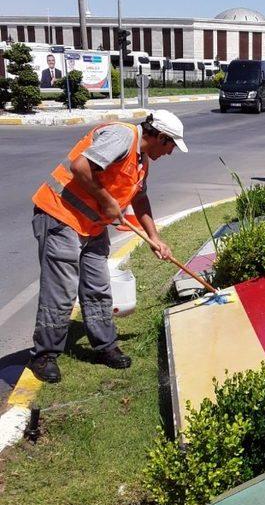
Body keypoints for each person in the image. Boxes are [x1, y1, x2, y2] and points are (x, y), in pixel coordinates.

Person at [29, 110, 188, 383]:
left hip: (91, 225)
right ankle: (44, 355)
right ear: (160, 137)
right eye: (171, 145)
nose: (171, 153)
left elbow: (140, 200)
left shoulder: (141, 161)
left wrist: (155, 238)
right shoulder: (122, 136)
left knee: (98, 286)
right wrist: (106, 200)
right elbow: (80, 167)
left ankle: (105, 345)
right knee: (61, 291)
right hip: (60, 216)